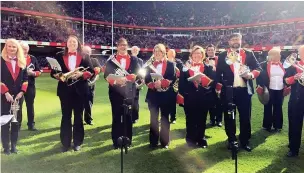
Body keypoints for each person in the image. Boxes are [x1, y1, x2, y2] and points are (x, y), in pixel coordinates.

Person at [216, 33, 262, 152]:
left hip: (244, 91)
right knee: (229, 117)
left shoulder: (248, 53)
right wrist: (220, 87)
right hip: (229, 91)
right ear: (229, 42)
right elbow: (218, 73)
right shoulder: (222, 55)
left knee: (245, 117)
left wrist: (251, 75)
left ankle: (244, 141)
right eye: (233, 39)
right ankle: (231, 140)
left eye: (237, 39)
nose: (235, 41)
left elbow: (258, 68)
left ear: (241, 40)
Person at [50, 35, 94, 152]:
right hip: (65, 91)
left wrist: (81, 75)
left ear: (78, 44)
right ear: (67, 43)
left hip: (80, 90)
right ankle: (65, 143)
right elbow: (53, 72)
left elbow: (91, 71)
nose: (72, 44)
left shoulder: (84, 55)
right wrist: (61, 77)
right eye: (70, 42)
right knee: (66, 117)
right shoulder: (59, 55)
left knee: (78, 117)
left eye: (74, 42)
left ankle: (77, 142)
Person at [104, 38, 140, 149]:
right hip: (115, 92)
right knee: (116, 117)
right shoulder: (111, 61)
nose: (123, 47)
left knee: (128, 118)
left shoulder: (134, 59)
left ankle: (127, 141)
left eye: (125, 45)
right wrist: (116, 81)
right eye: (120, 45)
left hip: (129, 92)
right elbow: (106, 76)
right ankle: (116, 141)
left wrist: (132, 77)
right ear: (117, 46)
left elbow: (139, 74)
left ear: (127, 46)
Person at [178, 45, 216, 148]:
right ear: (191, 55)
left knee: (202, 120)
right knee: (190, 120)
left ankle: (201, 140)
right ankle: (190, 140)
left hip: (204, 97)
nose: (197, 55)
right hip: (189, 97)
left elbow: (213, 83)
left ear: (203, 55)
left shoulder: (208, 68)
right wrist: (182, 97)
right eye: (195, 53)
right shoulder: (185, 69)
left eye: (199, 53)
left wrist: (203, 81)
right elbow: (181, 84)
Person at [145, 43, 177, 149]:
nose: (157, 53)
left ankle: (165, 142)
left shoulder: (171, 64)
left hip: (166, 95)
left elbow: (172, 78)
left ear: (164, 53)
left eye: (159, 51)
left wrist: (162, 83)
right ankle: (153, 142)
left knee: (164, 119)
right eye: (155, 51)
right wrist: (154, 85)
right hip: (153, 95)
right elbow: (146, 79)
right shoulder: (150, 65)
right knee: (153, 119)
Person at [1, 39, 28, 155]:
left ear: (18, 49)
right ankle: (6, 147)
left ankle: (14, 146)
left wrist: (22, 92)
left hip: (18, 97)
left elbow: (25, 80)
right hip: (4, 97)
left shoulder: (22, 62)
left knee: (16, 122)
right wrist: (5, 92)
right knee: (5, 122)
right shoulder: (1, 61)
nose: (12, 49)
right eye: (9, 46)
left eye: (14, 47)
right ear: (5, 47)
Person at [256, 48, 289, 132]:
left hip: (280, 89)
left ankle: (277, 126)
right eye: (277, 54)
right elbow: (259, 76)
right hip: (269, 89)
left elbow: (287, 76)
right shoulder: (263, 65)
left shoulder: (284, 65)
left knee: (278, 107)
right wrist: (259, 86)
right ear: (271, 55)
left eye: (279, 54)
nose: (279, 56)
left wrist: (287, 86)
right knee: (267, 107)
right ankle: (267, 126)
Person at [284, 45, 304, 157]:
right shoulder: (293, 66)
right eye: (302, 53)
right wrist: (294, 78)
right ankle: (293, 148)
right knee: (294, 124)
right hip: (296, 99)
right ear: (299, 54)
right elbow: (286, 81)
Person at [20, 41, 41, 131]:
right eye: (23, 49)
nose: (25, 51)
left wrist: (33, 73)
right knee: (18, 106)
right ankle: (17, 125)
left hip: (30, 85)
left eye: (26, 49)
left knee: (30, 105)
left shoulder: (33, 58)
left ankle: (31, 125)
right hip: (18, 86)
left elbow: (38, 71)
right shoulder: (16, 58)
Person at [82, 45, 101, 125]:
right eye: (85, 51)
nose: (86, 53)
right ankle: (78, 119)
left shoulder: (94, 60)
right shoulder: (80, 60)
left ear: (90, 53)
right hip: (80, 84)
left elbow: (99, 71)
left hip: (91, 85)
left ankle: (88, 119)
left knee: (89, 103)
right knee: (79, 103)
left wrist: (93, 80)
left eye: (88, 51)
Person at [205, 44, 222, 127]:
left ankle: (219, 120)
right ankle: (212, 119)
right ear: (206, 51)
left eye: (212, 50)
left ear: (215, 50)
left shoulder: (220, 60)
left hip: (218, 85)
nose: (210, 51)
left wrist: (220, 84)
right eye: (209, 50)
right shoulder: (204, 60)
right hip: (208, 85)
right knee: (210, 103)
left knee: (219, 103)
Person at [167, 49, 183, 124]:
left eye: (172, 53)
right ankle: (164, 117)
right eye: (169, 53)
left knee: (173, 103)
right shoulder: (165, 61)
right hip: (165, 84)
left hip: (174, 85)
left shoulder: (178, 62)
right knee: (164, 102)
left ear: (174, 54)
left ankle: (173, 118)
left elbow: (181, 72)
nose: (171, 54)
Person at [131, 46, 143, 124]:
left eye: (136, 50)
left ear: (138, 52)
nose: (135, 51)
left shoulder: (140, 61)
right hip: (128, 82)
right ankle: (128, 116)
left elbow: (141, 71)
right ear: (131, 51)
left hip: (137, 83)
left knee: (135, 101)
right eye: (134, 50)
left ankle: (135, 117)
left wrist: (141, 80)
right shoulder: (128, 58)